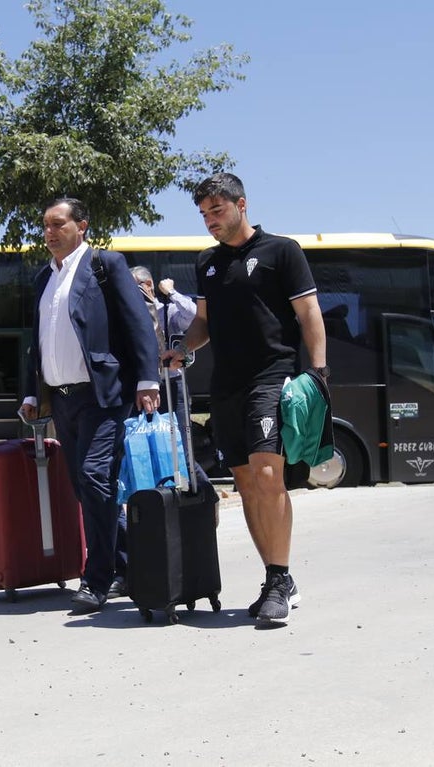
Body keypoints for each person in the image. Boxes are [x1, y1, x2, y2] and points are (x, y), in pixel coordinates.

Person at [165, 173, 328, 624]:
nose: (210, 221)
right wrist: (181, 348)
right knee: (245, 481)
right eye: (203, 214)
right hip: (226, 385)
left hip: (272, 377)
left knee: (266, 472)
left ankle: (278, 578)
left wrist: (318, 372)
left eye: (217, 211)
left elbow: (309, 311)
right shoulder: (207, 263)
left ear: (242, 204)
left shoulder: (282, 251)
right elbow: (203, 323)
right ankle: (278, 579)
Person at [19, 197, 160, 613]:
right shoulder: (44, 278)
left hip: (103, 395)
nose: (49, 232)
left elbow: (137, 323)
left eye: (58, 224)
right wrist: (32, 392)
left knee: (95, 477)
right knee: (86, 488)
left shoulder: (106, 265)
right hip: (61, 400)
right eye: (45, 225)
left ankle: (95, 579)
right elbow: (37, 342)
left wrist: (147, 378)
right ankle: (130, 564)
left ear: (82, 225)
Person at [129, 266, 219, 517]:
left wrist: (172, 292)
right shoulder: (129, 314)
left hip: (172, 384)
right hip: (143, 388)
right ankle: (163, 502)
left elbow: (196, 318)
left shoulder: (167, 309)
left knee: (181, 443)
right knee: (147, 445)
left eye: (137, 286)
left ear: (148, 285)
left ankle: (206, 496)